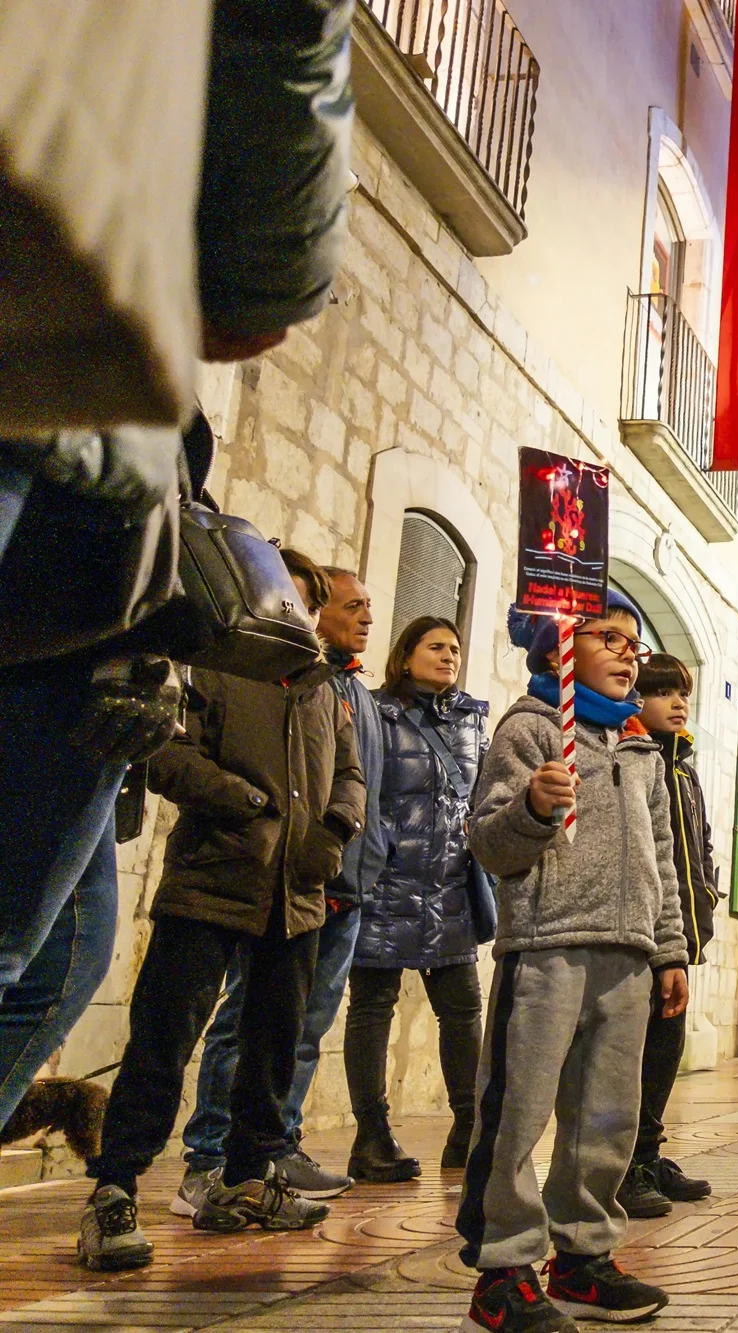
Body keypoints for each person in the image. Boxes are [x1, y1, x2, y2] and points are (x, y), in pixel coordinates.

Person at [1, 0, 357, 1126]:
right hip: (50, 445)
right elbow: (260, 291)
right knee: (38, 959)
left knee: (61, 956)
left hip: (76, 535)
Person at [78, 549, 366, 1271]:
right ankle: (115, 1189)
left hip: (296, 895)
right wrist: (244, 803)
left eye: (308, 602)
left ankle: (246, 1180)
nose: (296, 612)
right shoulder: (214, 666)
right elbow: (168, 754)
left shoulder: (326, 686)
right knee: (163, 1039)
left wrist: (333, 832)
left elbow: (350, 774)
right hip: (214, 879)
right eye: (291, 596)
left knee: (272, 1045)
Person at [456, 592, 684, 1332]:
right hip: (549, 943)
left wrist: (671, 946)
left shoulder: (642, 748)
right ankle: (502, 1265)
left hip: (629, 954)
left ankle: (582, 1256)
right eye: (609, 637)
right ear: (561, 647)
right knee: (516, 1108)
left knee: (607, 1117)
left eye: (633, 643)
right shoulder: (530, 729)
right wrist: (531, 805)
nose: (628, 653)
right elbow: (489, 843)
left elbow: (662, 859)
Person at [175, 568, 388, 1214]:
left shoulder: (351, 692)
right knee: (243, 1020)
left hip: (335, 883)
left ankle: (272, 1143)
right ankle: (211, 1153)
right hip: (270, 877)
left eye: (365, 607)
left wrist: (346, 845)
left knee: (295, 1026)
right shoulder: (247, 671)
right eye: (349, 605)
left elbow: (354, 780)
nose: (365, 617)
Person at [341, 616, 490, 1183]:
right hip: (385, 882)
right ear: (405, 657)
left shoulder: (473, 722)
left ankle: (467, 1127)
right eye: (435, 646)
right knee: (372, 1006)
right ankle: (372, 1135)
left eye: (454, 647)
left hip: (449, 886)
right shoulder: (375, 713)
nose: (448, 655)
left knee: (463, 1009)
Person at [619, 655, 718, 1219]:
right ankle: (627, 1164)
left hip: (679, 930)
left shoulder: (684, 767)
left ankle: (649, 1153)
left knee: (666, 1048)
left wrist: (703, 901)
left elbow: (695, 846)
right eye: (662, 692)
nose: (678, 703)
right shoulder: (638, 758)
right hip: (644, 930)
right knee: (640, 1051)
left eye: (683, 693)